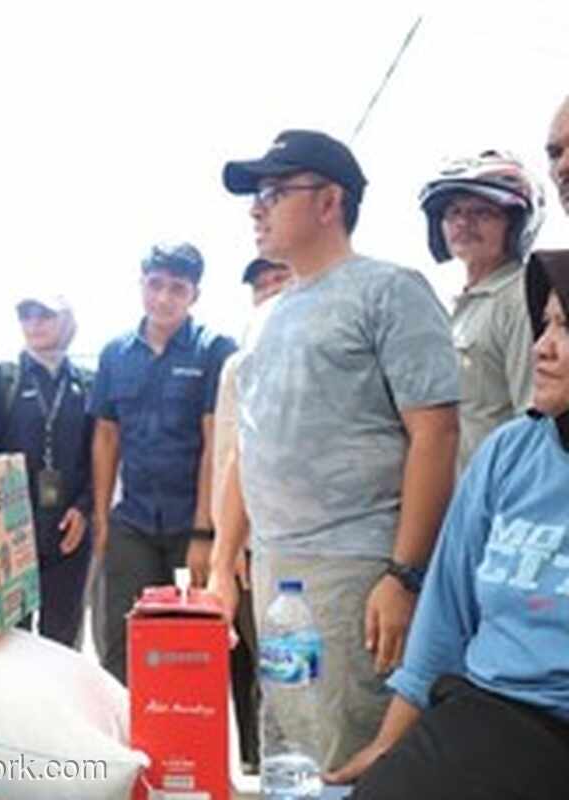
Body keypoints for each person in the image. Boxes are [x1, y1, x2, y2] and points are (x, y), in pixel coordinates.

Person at [208, 129, 461, 769]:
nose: (256, 208)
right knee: (291, 743)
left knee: (356, 749)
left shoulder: (389, 291)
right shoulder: (266, 317)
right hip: (275, 575)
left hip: (355, 574)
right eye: (255, 195)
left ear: (329, 202)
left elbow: (436, 433)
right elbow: (247, 446)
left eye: (273, 191)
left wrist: (403, 576)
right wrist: (220, 566)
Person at [325, 250, 569, 800]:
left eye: (566, 327)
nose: (542, 347)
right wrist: (388, 747)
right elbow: (444, 616)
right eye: (545, 323)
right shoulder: (511, 453)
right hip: (486, 714)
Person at [89, 242, 237, 684]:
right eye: (155, 285)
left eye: (177, 288)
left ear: (195, 294)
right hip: (132, 523)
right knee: (121, 638)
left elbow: (217, 443)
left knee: (189, 646)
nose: (164, 297)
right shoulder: (115, 354)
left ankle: (186, 740)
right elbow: (106, 437)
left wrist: (204, 533)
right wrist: (102, 520)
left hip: (188, 526)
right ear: (141, 284)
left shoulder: (214, 350)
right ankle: (120, 743)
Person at [204, 256, 291, 772]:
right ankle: (258, 762)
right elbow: (227, 456)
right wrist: (227, 540)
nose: (270, 292)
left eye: (279, 279)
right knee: (251, 664)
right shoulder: (238, 365)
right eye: (260, 286)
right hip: (247, 541)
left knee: (288, 670)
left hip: (300, 543)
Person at [0, 292, 94, 647]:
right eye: (26, 315)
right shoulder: (2, 378)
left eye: (45, 315)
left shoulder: (87, 383)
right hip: (15, 531)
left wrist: (84, 510)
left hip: (69, 530)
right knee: (12, 639)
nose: (35, 323)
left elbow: (99, 456)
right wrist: (7, 520)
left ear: (67, 321)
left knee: (63, 637)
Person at [418, 150, 545, 472]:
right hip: (460, 499)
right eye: (454, 212)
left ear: (515, 225)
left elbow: (535, 418)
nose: (463, 223)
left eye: (482, 213)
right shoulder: (456, 304)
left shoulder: (520, 299)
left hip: (502, 496)